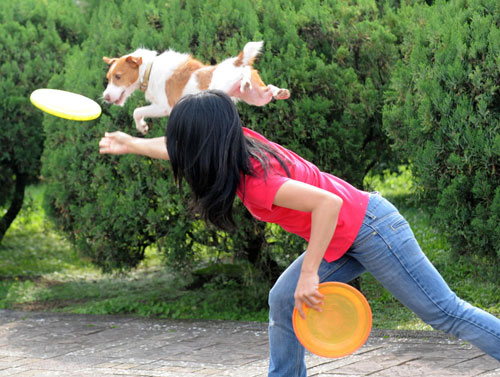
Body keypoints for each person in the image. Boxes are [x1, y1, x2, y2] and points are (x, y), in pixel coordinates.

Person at [99, 89, 500, 375]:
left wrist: (311, 272)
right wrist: (131, 143)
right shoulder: (235, 143)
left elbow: (329, 205)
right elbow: (179, 147)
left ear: (202, 144)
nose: (179, 149)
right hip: (347, 235)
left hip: (372, 228)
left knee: (445, 313)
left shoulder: (258, 180)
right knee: (284, 300)